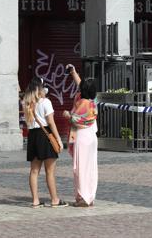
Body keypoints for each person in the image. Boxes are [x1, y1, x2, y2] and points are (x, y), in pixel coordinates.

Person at [23, 77, 68, 208]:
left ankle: (35, 200)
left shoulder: (26, 103)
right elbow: (51, 122)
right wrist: (58, 139)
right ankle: (55, 199)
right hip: (45, 135)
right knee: (50, 171)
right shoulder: (45, 102)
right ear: (40, 88)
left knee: (34, 171)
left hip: (32, 136)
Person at [63, 64, 98, 207]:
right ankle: (89, 196)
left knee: (80, 168)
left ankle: (82, 197)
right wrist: (73, 72)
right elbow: (81, 85)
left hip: (82, 137)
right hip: (92, 137)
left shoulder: (82, 102)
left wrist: (67, 115)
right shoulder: (92, 102)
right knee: (90, 168)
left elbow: (75, 119)